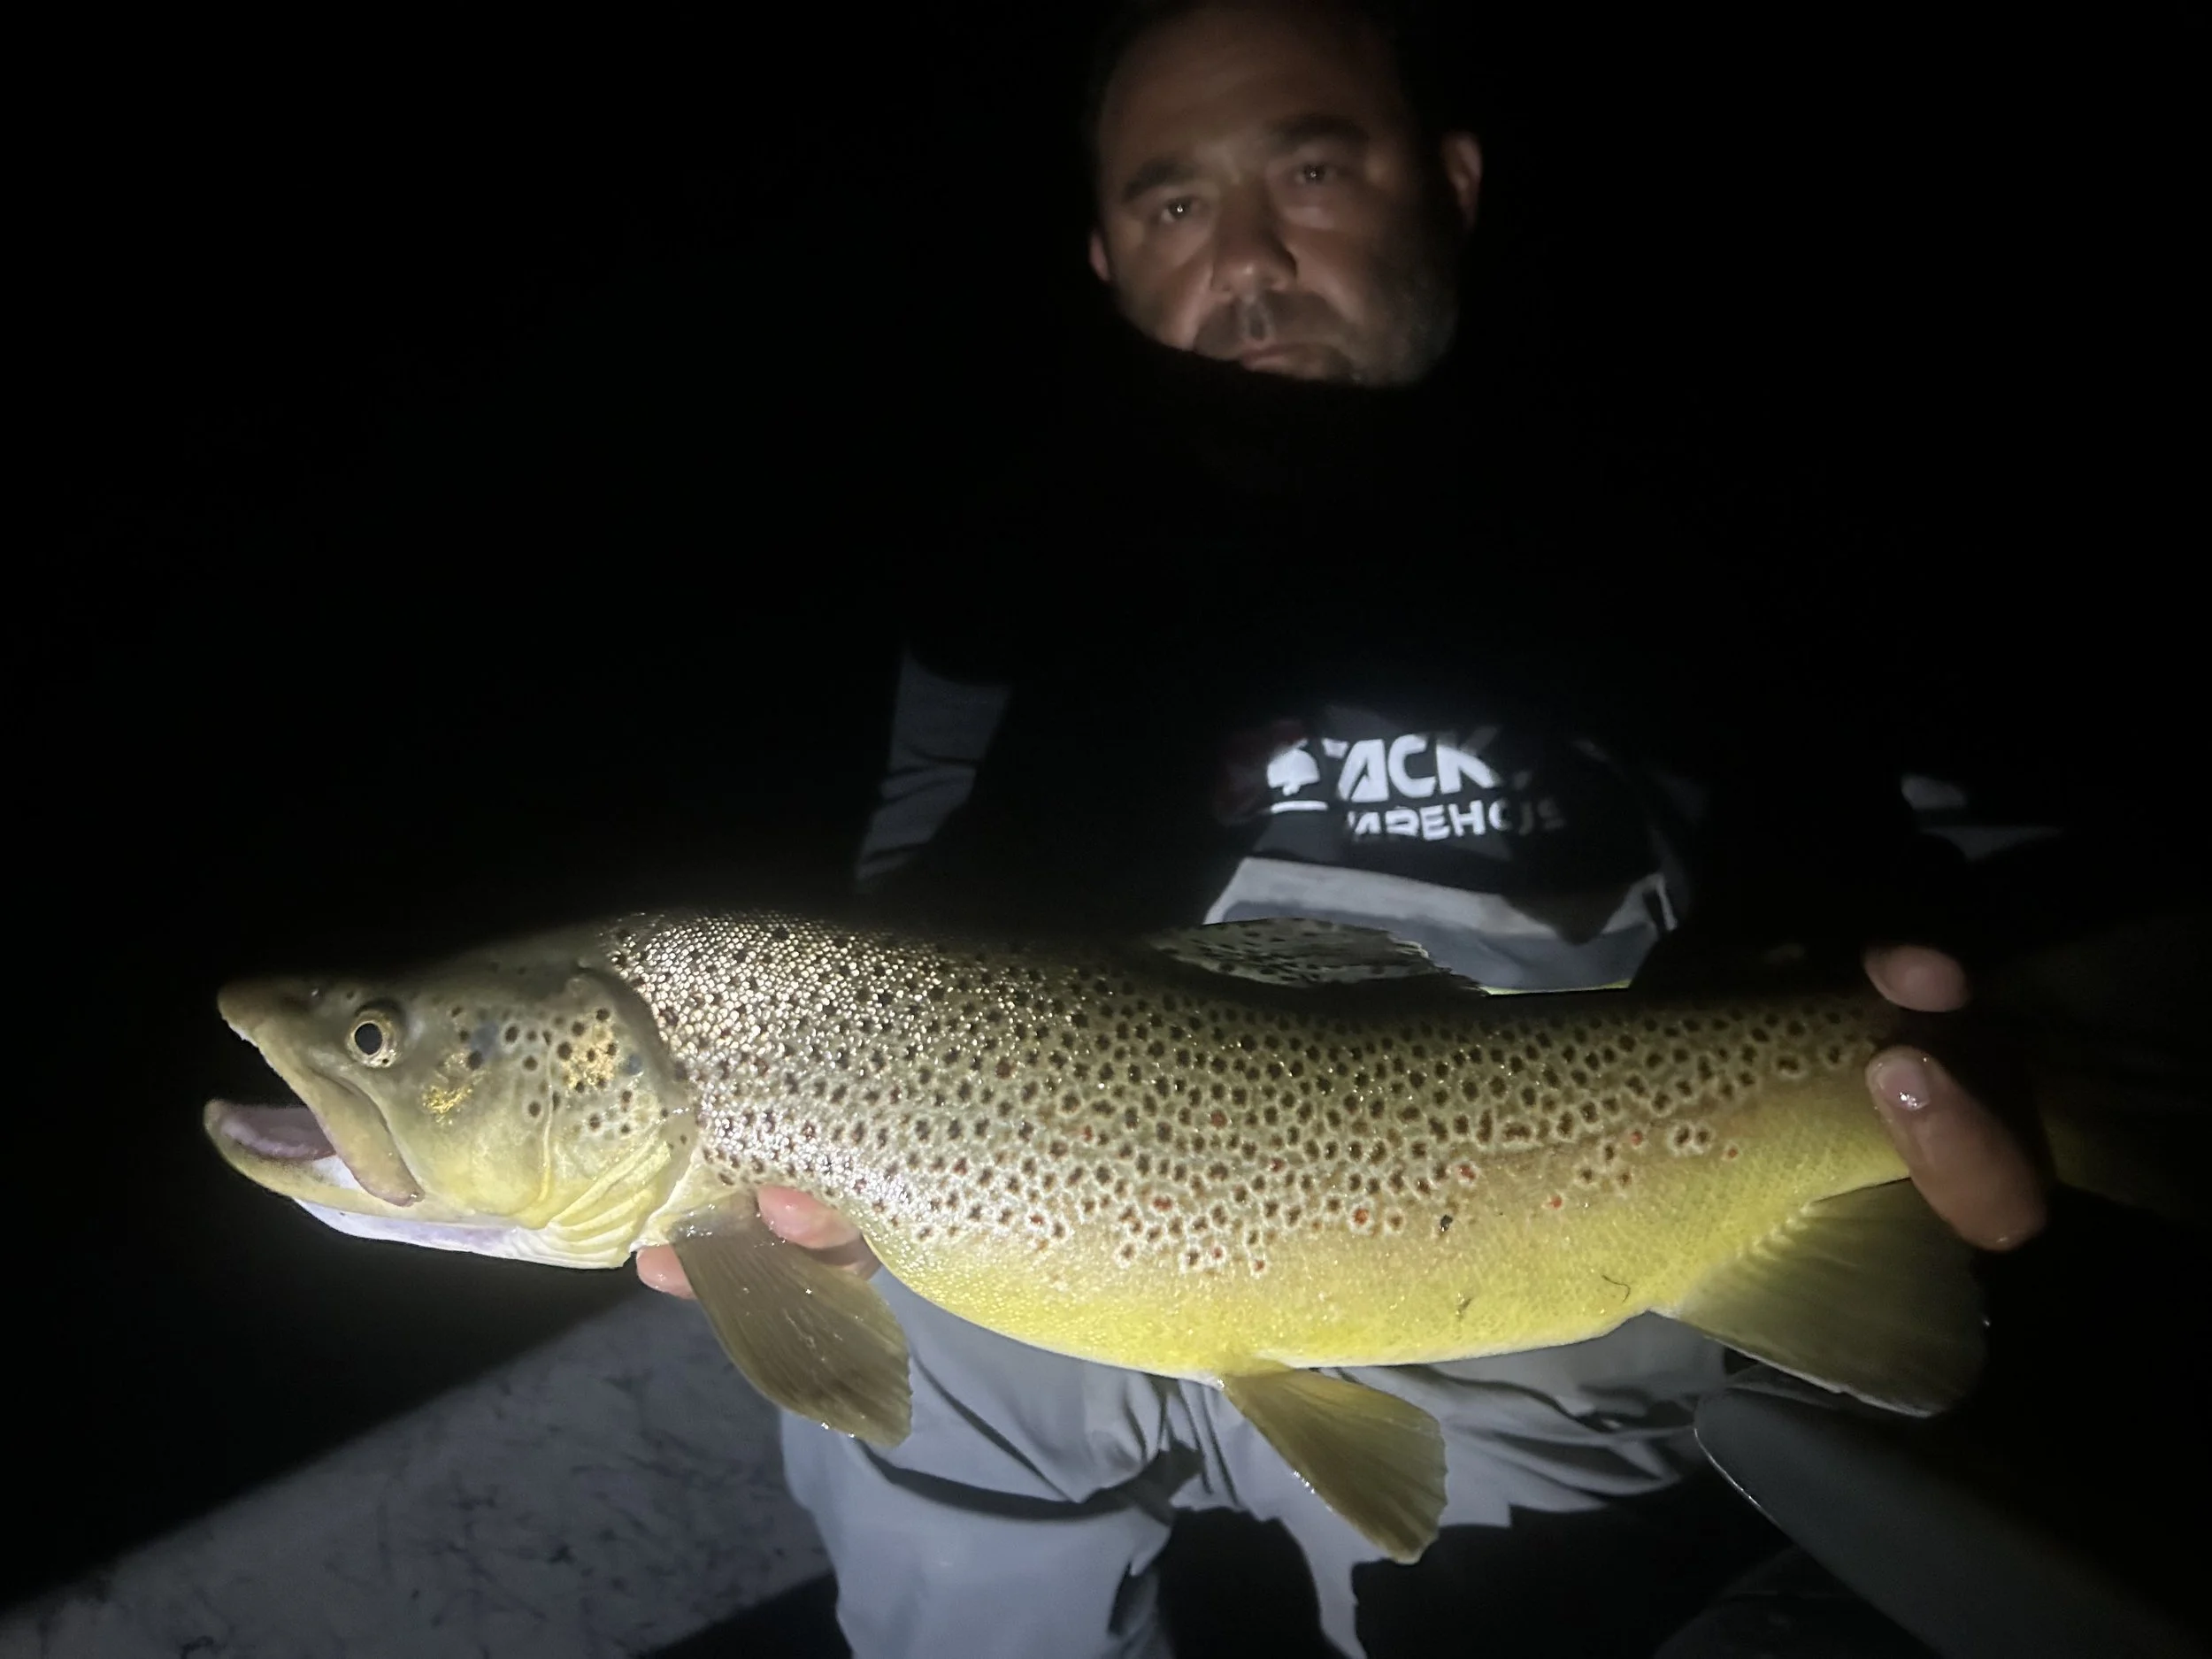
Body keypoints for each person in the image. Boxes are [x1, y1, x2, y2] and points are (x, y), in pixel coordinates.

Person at [641, 2, 2045, 1652]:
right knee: (898, 1428)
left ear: (1450, 182)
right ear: (1103, 253)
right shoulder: (1009, 580)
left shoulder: (1706, 526)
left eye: (1310, 171)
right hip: (1070, 1250)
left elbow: (1910, 885)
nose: (1246, 256)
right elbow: (905, 900)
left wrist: (1971, 1100)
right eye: (1174, 205)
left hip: (1559, 1260)